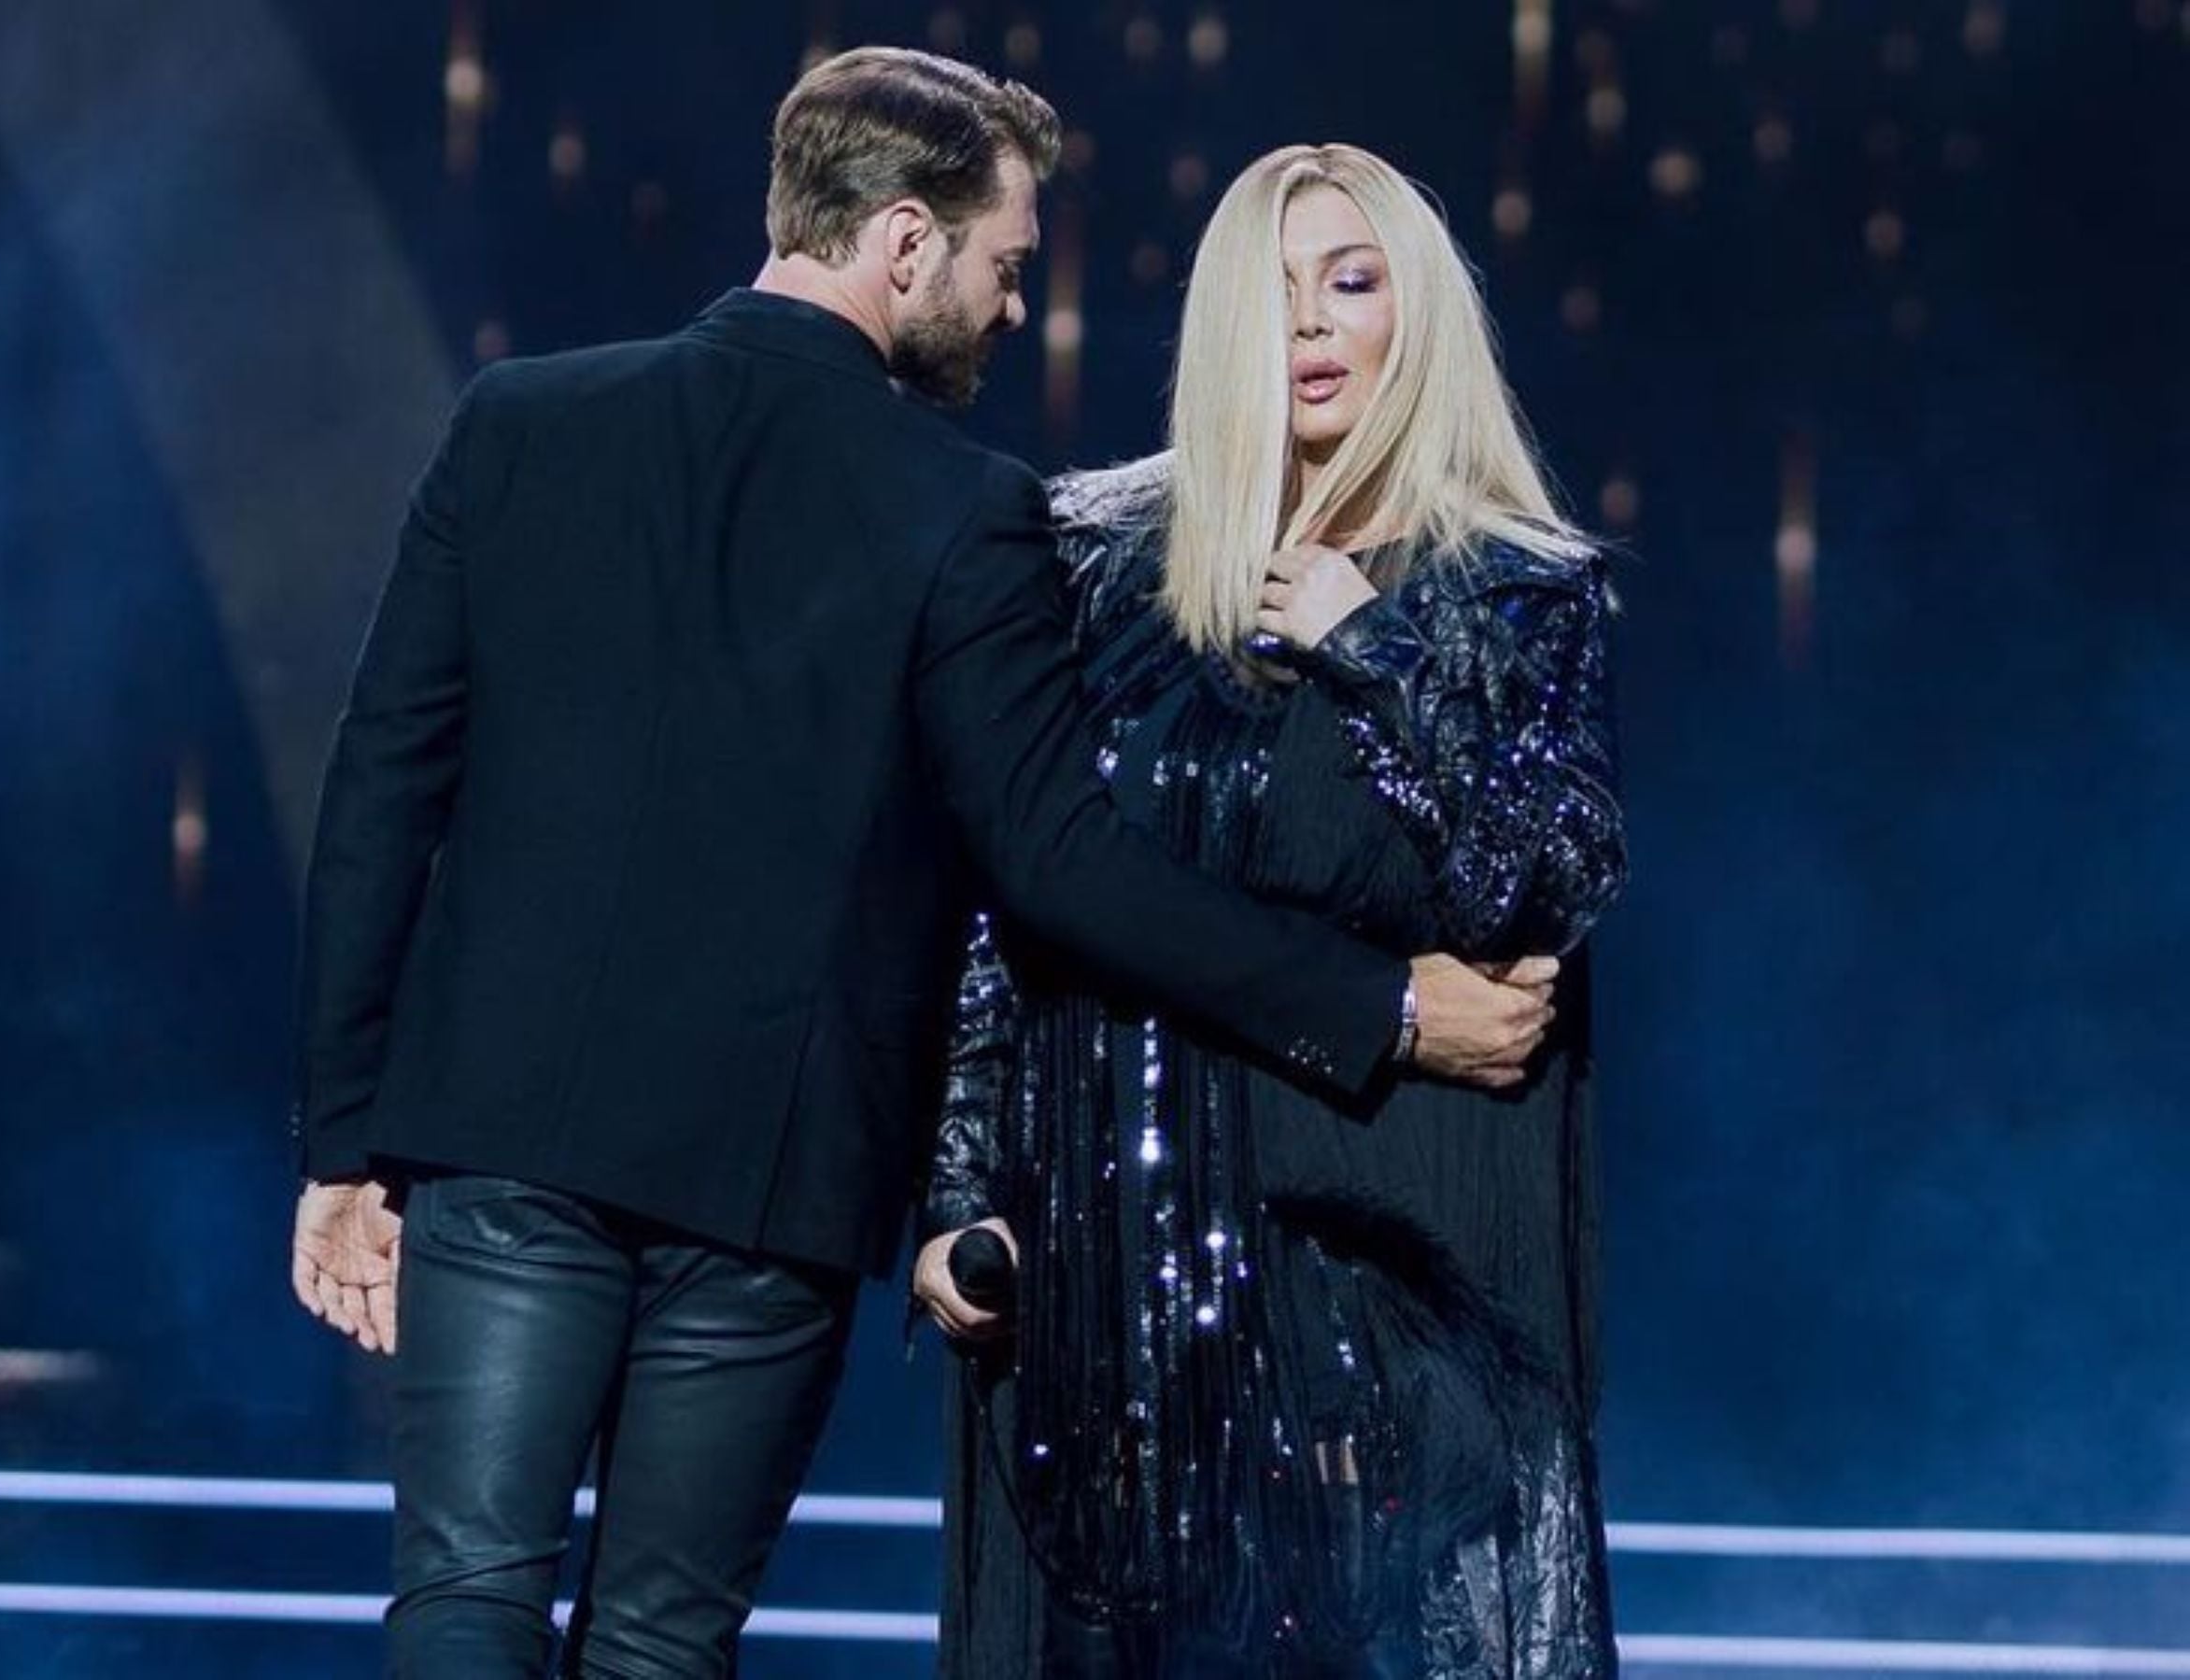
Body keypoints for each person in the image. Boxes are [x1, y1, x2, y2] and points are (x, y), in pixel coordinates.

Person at [285, 53, 1544, 1679]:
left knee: (468, 1597)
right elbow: (1062, 862)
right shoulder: (964, 512)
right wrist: (1382, 1006)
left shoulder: (521, 420)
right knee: (659, 1646)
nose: (1013, 307)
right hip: (768, 1188)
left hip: (499, 1133)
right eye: (1003, 264)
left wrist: (345, 1142)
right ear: (901, 242)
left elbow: (380, 790)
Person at [914, 143, 1628, 1677]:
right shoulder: (1094, 558)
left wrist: (1378, 651)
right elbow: (1004, 890)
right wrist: (958, 1186)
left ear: (1415, 314)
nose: (1309, 322)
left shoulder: (1509, 589)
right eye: (1273, 289)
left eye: (1350, 283)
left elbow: (1540, 885)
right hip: (1107, 1272)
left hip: (1376, 1286)